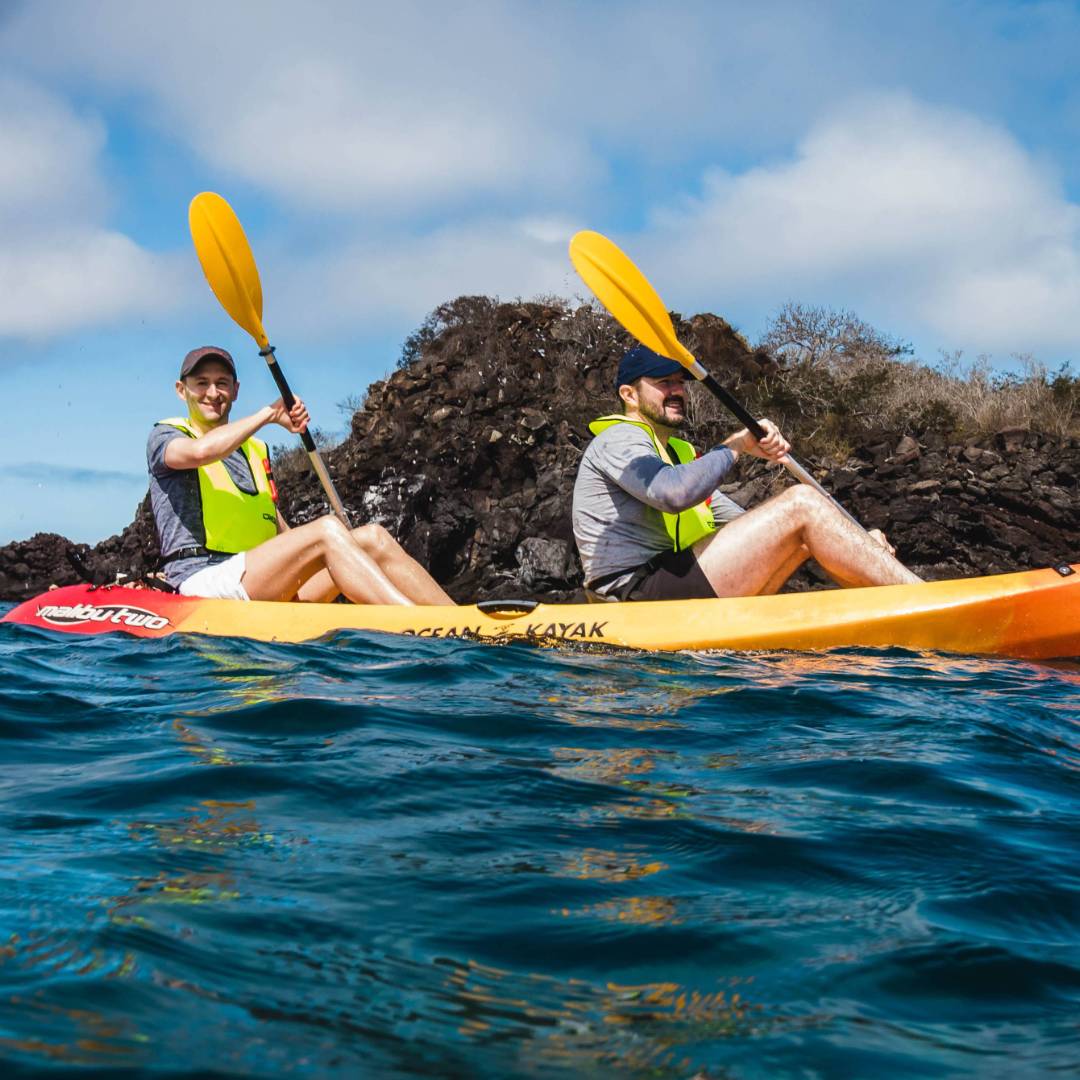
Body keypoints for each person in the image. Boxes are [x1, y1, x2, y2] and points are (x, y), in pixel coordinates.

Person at [572, 345, 923, 601]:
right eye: (664, 382)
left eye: (680, 382)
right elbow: (672, 494)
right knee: (802, 502)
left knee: (802, 522)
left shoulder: (679, 454)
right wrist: (736, 445)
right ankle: (922, 600)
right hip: (631, 593)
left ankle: (891, 604)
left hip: (671, 579)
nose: (677, 391)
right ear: (629, 394)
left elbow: (760, 532)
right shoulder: (619, 439)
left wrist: (860, 545)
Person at [147, 346, 454, 605]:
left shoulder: (255, 450)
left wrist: (345, 553)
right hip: (203, 580)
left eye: (222, 383)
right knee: (326, 529)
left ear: (235, 390)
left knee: (372, 538)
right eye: (201, 383)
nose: (213, 393)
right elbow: (201, 453)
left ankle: (460, 619)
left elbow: (279, 529)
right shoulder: (167, 436)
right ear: (181, 390)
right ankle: (409, 619)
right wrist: (270, 413)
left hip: (258, 578)